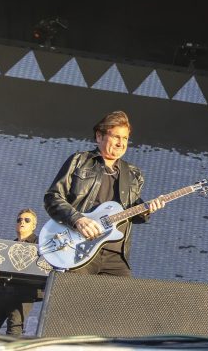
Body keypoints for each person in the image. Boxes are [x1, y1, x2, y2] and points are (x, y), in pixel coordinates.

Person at [43, 111, 165, 276]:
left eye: (125, 138)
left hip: (116, 256)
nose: (121, 143)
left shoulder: (133, 174)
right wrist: (77, 219)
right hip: (79, 248)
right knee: (72, 293)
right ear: (99, 137)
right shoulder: (79, 160)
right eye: (116, 137)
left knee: (122, 294)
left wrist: (146, 210)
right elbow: (52, 197)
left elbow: (131, 212)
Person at [0, 208, 41, 336]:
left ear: (33, 226)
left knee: (14, 328)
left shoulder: (40, 244)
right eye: (19, 220)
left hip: (24, 292)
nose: (22, 222)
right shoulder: (10, 245)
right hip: (3, 291)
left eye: (27, 220)